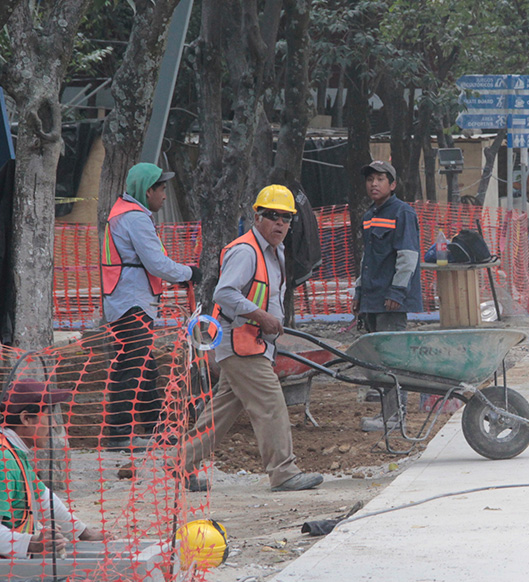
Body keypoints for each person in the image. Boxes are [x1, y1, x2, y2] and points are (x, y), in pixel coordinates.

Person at [183, 185, 323, 493]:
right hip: (240, 344)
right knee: (270, 403)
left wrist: (271, 321)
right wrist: (261, 316)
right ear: (256, 217)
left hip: (255, 343)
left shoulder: (276, 252)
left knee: (220, 413)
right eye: (272, 216)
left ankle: (181, 465)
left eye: (285, 218)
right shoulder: (245, 252)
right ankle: (283, 472)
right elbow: (224, 292)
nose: (280, 224)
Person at [100, 163, 201, 451]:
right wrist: (190, 272)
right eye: (162, 189)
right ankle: (120, 433)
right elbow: (157, 264)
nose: (165, 196)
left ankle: (157, 428)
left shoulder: (125, 213)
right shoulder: (135, 219)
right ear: (148, 191)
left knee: (144, 366)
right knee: (134, 367)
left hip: (127, 302)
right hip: (131, 304)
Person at [0, 379, 109, 558]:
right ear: (26, 418)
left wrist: (83, 533)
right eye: (48, 416)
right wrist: (32, 544)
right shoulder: (4, 459)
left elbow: (43, 498)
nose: (52, 425)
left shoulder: (13, 452)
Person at [354, 161, 422, 432]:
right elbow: (366, 259)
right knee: (380, 361)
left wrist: (397, 292)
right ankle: (387, 415)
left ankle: (396, 418)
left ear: (392, 185)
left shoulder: (402, 213)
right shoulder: (370, 215)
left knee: (393, 360)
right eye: (370, 179)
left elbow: (408, 257)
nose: (374, 184)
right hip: (372, 299)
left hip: (390, 301)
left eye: (380, 179)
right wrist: (359, 291)